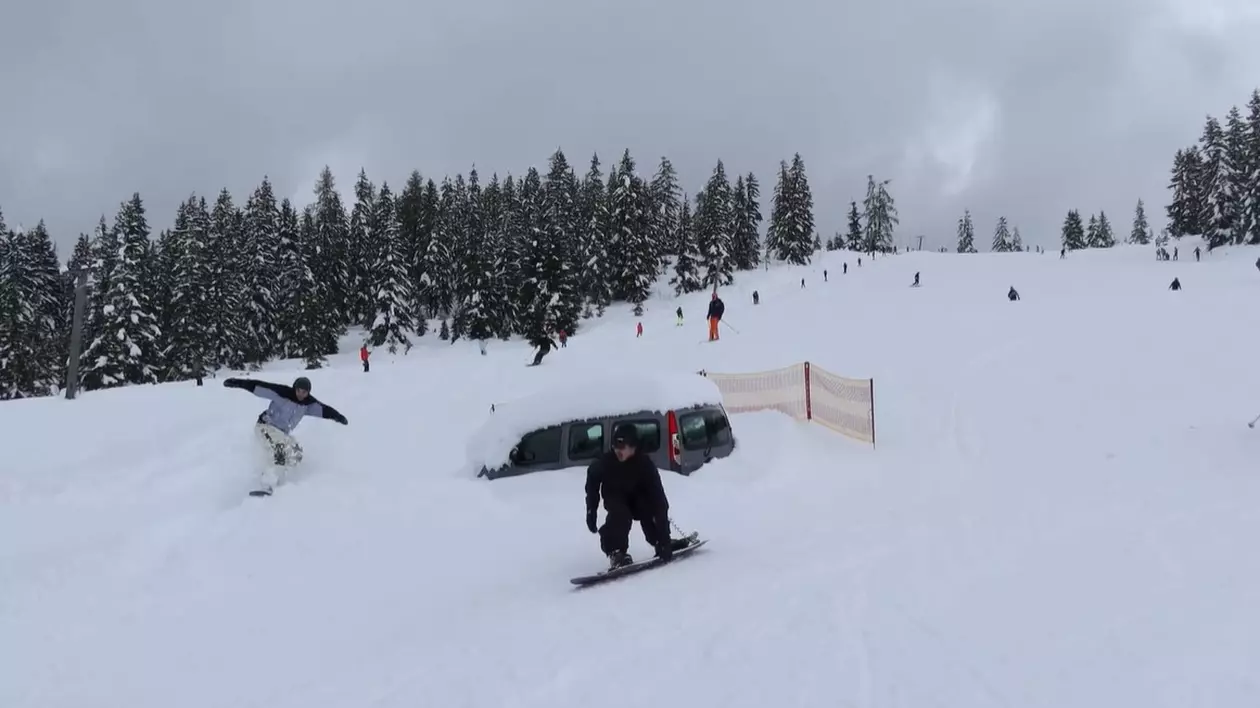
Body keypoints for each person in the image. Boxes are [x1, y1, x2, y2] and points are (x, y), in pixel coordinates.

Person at [585, 423, 691, 569]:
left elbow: (659, 501)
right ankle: (617, 553)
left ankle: (660, 542)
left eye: (622, 447)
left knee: (650, 506)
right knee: (621, 515)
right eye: (615, 446)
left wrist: (664, 538)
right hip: (615, 497)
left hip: (637, 499)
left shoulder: (645, 465)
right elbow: (592, 482)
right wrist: (591, 510)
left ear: (633, 447)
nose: (618, 451)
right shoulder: (606, 463)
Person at [223, 376, 348, 493]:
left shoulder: (308, 404)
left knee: (296, 453)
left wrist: (338, 416)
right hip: (265, 426)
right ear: (295, 388)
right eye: (299, 390)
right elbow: (260, 387)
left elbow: (324, 410)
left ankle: (283, 480)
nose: (301, 394)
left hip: (282, 433)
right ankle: (267, 484)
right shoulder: (282, 393)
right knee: (279, 450)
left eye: (304, 392)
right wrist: (239, 383)